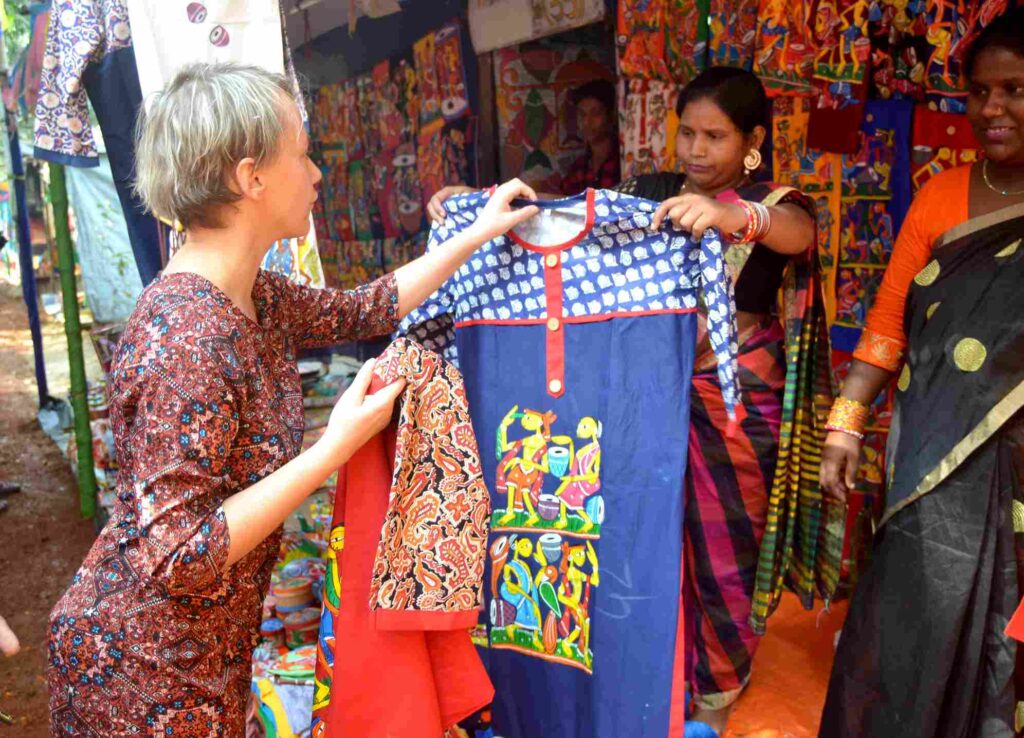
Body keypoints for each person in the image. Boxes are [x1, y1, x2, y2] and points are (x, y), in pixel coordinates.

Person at [45, 62, 538, 737]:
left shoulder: (255, 295)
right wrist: (333, 449)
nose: (316, 175)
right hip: (141, 670)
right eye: (302, 155)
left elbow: (367, 308)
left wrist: (476, 233)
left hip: (205, 655)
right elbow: (181, 553)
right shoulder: (186, 340)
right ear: (251, 178)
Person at [427, 66, 828, 734]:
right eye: (687, 133)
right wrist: (481, 202)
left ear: (754, 138)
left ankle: (720, 686)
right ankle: (660, 676)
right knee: (643, 537)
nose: (696, 150)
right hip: (646, 395)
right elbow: (566, 217)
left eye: (716, 136)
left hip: (730, 399)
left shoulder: (776, 199)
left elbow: (796, 234)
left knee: (726, 547)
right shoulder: (652, 195)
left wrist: (736, 216)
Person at [818, 9, 1024, 736]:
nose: (992, 109)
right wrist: (845, 424)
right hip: (932, 466)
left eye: (1014, 91)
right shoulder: (942, 196)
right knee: (913, 622)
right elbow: (887, 326)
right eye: (979, 93)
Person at [559, 79, 620, 194]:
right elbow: (564, 202)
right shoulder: (579, 167)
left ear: (610, 115)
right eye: (582, 114)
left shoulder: (622, 163)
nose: (586, 122)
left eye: (595, 113)